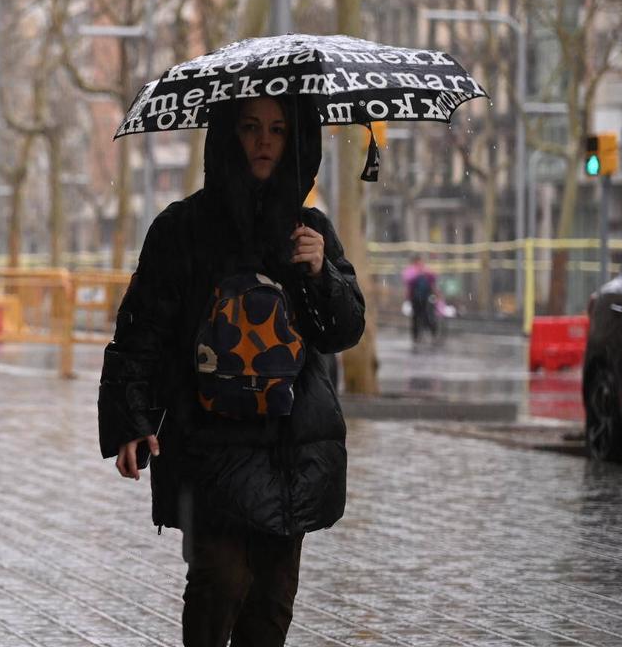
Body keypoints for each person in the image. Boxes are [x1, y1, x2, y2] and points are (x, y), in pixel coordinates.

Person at [98, 96, 365, 646]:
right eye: (250, 128)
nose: (264, 141)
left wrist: (321, 275)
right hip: (208, 441)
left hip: (290, 445)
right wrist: (132, 418)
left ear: (297, 141)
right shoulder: (181, 229)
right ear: (227, 136)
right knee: (220, 580)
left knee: (270, 603)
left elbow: (342, 331)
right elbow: (143, 329)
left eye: (277, 129)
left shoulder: (309, 232)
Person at [403, 254, 438, 345]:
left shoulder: (426, 270)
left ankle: (430, 333)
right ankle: (416, 336)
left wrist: (425, 272)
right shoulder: (411, 271)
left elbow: (434, 278)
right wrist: (418, 273)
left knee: (427, 316)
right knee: (416, 317)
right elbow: (408, 279)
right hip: (415, 298)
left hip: (426, 298)